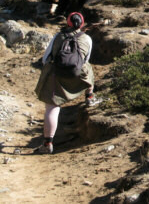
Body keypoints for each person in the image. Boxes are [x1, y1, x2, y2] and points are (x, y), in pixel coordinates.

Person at [34, 12, 100, 154]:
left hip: (57, 75)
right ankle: (89, 96)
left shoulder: (58, 37)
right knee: (88, 68)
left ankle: (47, 143)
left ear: (68, 23)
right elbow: (86, 59)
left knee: (52, 108)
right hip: (78, 75)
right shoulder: (87, 38)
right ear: (82, 24)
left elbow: (46, 59)